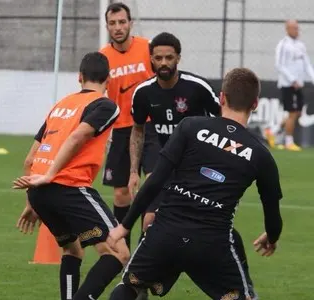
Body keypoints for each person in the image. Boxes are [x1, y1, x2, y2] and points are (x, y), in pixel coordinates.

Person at [108, 68, 283, 300]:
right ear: (255, 104)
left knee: (129, 286)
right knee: (242, 296)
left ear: (222, 98)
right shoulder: (261, 154)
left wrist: (125, 225)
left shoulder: (190, 127)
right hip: (212, 243)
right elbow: (272, 214)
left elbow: (155, 181)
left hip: (165, 232)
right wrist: (271, 236)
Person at [128, 32, 256, 298]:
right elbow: (138, 131)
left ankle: (169, 275)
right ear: (151, 59)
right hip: (164, 168)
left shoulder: (197, 88)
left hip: (196, 173)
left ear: (178, 58)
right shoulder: (143, 93)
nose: (164, 62)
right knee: (150, 223)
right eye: (158, 58)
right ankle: (146, 281)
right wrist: (132, 171)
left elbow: (226, 123)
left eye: (169, 57)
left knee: (206, 229)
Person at [13, 52, 130, 300]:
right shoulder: (105, 105)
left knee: (72, 249)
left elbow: (29, 160)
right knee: (119, 252)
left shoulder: (60, 105)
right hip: (68, 187)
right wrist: (51, 175)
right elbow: (78, 137)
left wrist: (31, 201)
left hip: (39, 192)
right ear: (107, 79)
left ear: (79, 77)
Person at [99, 2, 160, 249]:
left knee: (154, 185)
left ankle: (147, 255)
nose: (118, 27)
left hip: (151, 127)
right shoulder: (103, 57)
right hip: (122, 130)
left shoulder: (147, 48)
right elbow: (98, 93)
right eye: (113, 23)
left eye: (122, 22)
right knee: (121, 194)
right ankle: (124, 253)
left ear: (130, 23)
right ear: (107, 26)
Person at [271, 19, 314, 150]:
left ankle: (273, 132)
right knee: (292, 113)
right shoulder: (283, 45)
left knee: (298, 113)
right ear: (287, 29)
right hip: (288, 85)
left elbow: (307, 64)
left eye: (297, 28)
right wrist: (292, 79)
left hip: (298, 85)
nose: (297, 30)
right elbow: (279, 65)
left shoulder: (300, 45)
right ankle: (289, 142)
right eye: (294, 28)